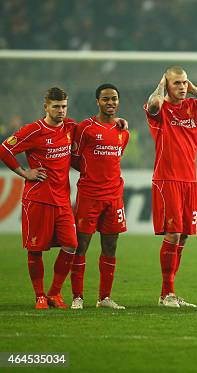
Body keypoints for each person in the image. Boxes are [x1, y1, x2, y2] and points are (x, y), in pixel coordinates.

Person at [144, 66, 197, 308]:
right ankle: (166, 293)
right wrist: (161, 84)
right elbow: (152, 105)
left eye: (184, 83)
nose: (181, 87)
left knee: (185, 235)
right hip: (167, 178)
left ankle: (169, 292)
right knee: (174, 233)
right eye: (176, 83)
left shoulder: (191, 106)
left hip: (189, 179)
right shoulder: (159, 108)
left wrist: (195, 90)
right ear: (167, 85)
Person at [0, 87, 78, 309]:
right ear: (46, 107)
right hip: (38, 199)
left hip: (62, 200)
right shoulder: (33, 131)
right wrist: (25, 173)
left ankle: (54, 293)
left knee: (71, 245)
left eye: (63, 106)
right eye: (56, 107)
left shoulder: (70, 127)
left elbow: (93, 128)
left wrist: (119, 121)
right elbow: (4, 149)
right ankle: (40, 296)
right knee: (36, 249)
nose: (61, 111)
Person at [70, 83, 130, 310]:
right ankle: (78, 297)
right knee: (81, 245)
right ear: (97, 102)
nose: (111, 103)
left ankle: (104, 298)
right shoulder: (85, 128)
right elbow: (74, 158)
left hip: (114, 196)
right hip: (89, 195)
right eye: (106, 99)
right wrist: (90, 174)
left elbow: (116, 158)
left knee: (111, 246)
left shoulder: (123, 131)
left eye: (114, 98)